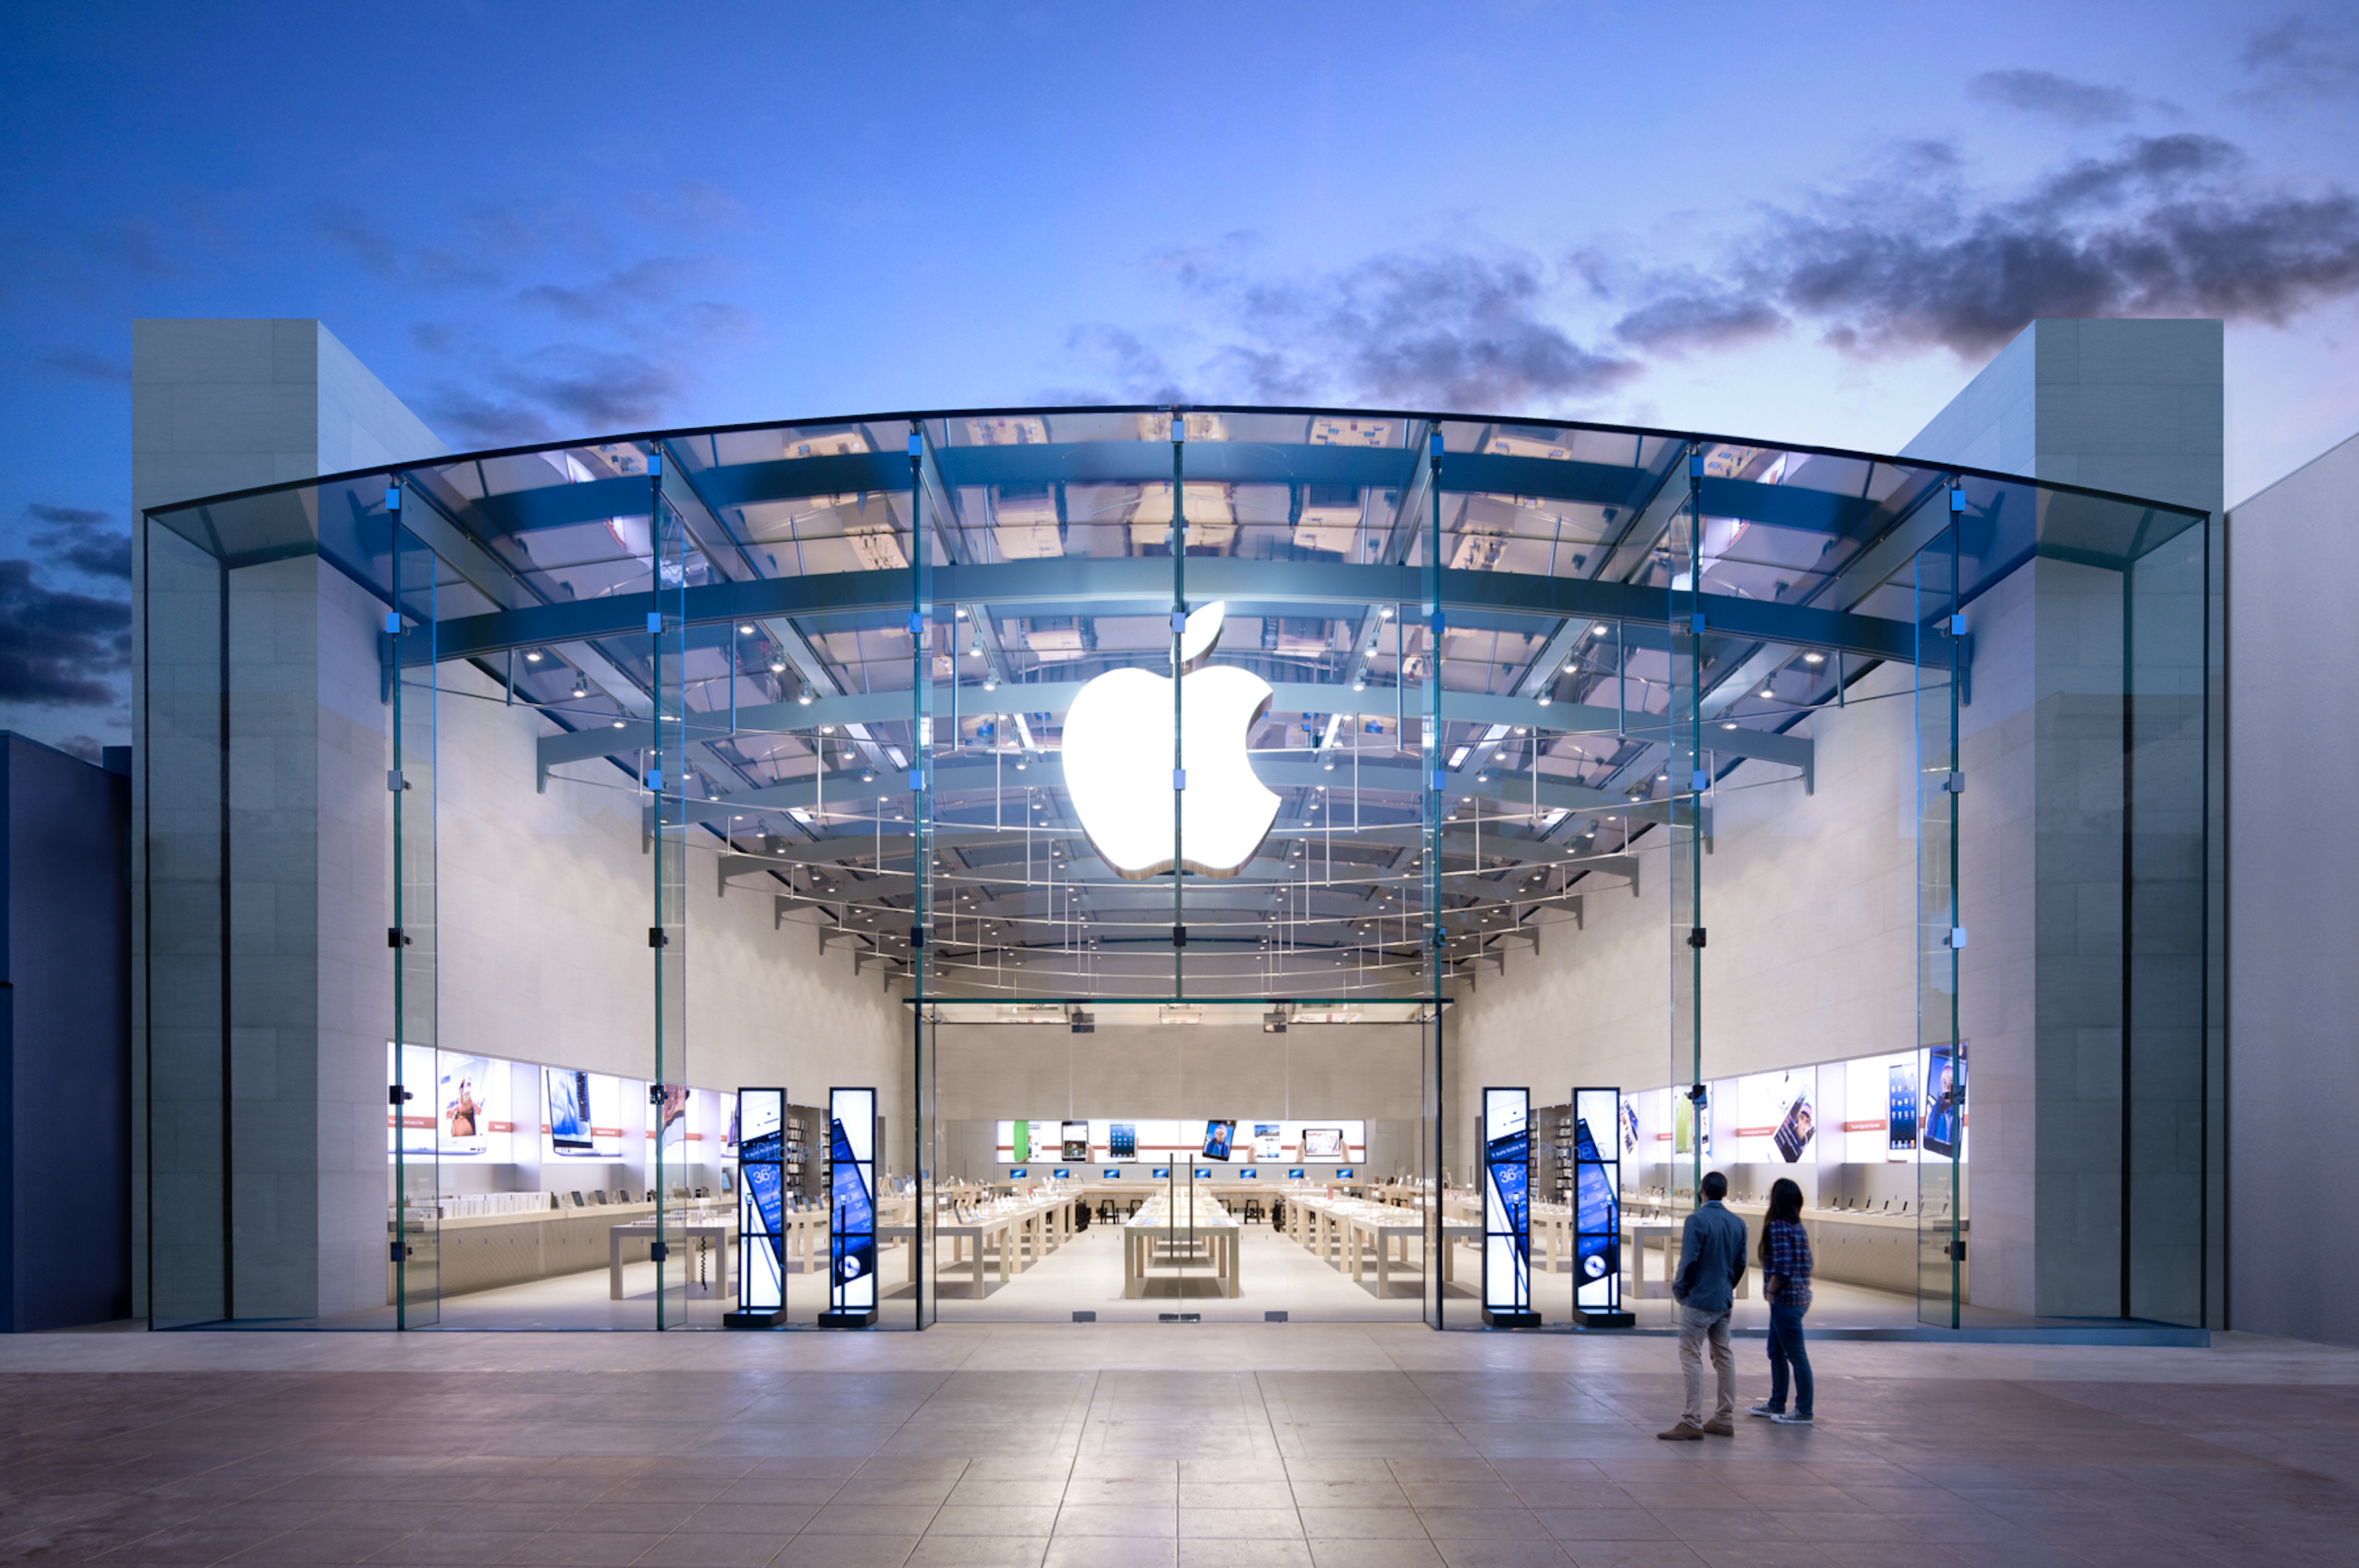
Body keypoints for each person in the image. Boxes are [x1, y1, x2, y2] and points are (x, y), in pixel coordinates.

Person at [1658, 1169, 1746, 1440]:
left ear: (1701, 1191)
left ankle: (1692, 1420)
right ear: (1725, 1193)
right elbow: (1740, 1263)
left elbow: (1689, 1260)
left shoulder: (1696, 1220)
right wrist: (1727, 1285)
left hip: (1699, 1299)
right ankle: (1724, 1417)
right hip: (1723, 1298)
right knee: (1723, 1355)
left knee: (1691, 1356)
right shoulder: (1737, 1223)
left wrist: (1680, 1288)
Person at [1749, 1177, 1814, 1424]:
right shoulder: (1798, 1227)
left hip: (1785, 1301)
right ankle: (1776, 1403)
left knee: (1795, 1355)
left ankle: (1804, 1409)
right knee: (1776, 1351)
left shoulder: (1777, 1226)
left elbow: (1783, 1268)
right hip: (1799, 1297)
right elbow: (1806, 1264)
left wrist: (1771, 1291)